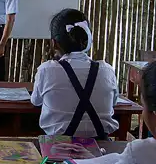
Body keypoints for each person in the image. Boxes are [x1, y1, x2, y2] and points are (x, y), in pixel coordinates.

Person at [30, 9, 119, 139]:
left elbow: (36, 101)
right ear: (86, 40)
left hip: (58, 145)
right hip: (100, 145)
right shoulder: (107, 70)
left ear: (54, 43)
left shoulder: (46, 70)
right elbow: (113, 102)